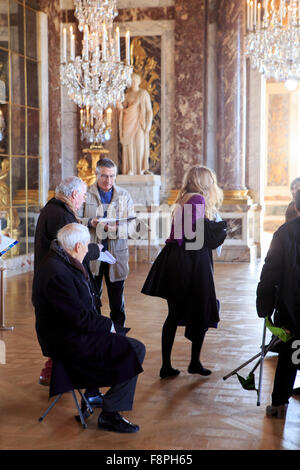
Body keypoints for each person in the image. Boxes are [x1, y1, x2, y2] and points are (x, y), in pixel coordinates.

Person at [32, 223, 145, 433]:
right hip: (67, 341)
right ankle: (110, 414)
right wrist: (108, 325)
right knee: (135, 349)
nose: (87, 249)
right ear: (76, 246)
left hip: (71, 332)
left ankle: (92, 394)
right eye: (86, 245)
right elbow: (79, 319)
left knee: (123, 342)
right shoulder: (57, 272)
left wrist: (107, 326)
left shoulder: (59, 259)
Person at [141, 165, 227, 378]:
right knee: (204, 308)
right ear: (205, 182)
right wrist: (221, 229)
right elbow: (197, 237)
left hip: (175, 258)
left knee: (174, 314)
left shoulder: (184, 198)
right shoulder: (198, 200)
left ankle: (167, 365)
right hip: (191, 262)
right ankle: (194, 362)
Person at [34, 176, 102, 398]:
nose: (82, 201)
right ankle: (73, 380)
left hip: (52, 277)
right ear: (73, 195)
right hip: (59, 280)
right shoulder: (62, 214)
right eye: (82, 196)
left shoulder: (52, 209)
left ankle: (55, 373)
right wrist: (97, 250)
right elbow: (74, 250)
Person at [256, 189, 300, 418]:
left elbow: (270, 272)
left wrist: (264, 306)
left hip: (292, 307)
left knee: (290, 354)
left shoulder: (284, 232)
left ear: (296, 208)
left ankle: (280, 404)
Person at [80, 158, 136, 327]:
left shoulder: (124, 195)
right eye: (104, 176)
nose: (108, 180)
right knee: (92, 301)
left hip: (116, 255)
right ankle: (96, 336)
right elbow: (74, 220)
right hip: (92, 255)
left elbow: (132, 226)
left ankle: (118, 337)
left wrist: (116, 230)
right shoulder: (86, 194)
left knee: (117, 304)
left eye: (112, 176)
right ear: (96, 174)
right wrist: (91, 222)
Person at [118, 73, 153, 175]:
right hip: (128, 123)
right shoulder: (127, 95)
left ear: (139, 82)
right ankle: (130, 169)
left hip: (140, 123)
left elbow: (149, 110)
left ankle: (141, 169)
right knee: (129, 146)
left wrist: (149, 124)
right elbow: (122, 109)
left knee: (139, 145)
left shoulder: (143, 94)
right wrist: (118, 105)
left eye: (135, 81)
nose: (133, 83)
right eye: (131, 81)